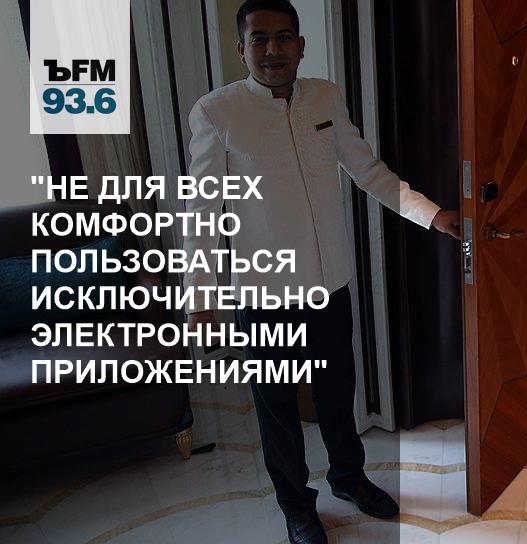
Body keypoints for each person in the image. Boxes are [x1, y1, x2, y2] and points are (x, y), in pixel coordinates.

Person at [181, 1, 460, 542]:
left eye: (284, 37)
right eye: (259, 39)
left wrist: (432, 214)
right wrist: (200, 297)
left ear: (301, 45)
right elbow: (203, 212)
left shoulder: (324, 96)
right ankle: (296, 506)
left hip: (329, 285)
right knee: (278, 410)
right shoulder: (217, 112)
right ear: (241, 49)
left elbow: (369, 172)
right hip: (263, 295)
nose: (273, 50)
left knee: (337, 394)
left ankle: (349, 478)